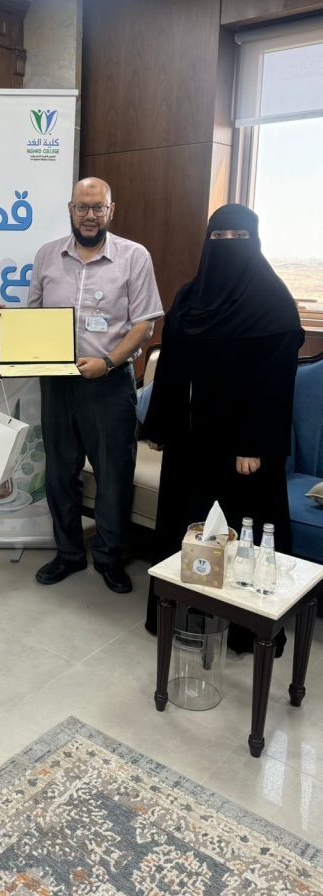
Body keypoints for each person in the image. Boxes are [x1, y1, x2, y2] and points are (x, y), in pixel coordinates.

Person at [143, 203, 304, 651]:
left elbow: (275, 384)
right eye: (218, 238)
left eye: (238, 238)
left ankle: (244, 629)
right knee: (186, 526)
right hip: (191, 441)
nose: (227, 246)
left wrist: (254, 444)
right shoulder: (191, 297)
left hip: (242, 450)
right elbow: (172, 365)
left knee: (242, 533)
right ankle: (183, 614)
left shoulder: (273, 302)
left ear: (255, 241)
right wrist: (161, 425)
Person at [28, 176, 163, 593]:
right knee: (59, 474)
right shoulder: (47, 255)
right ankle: (69, 554)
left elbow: (144, 324)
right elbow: (34, 317)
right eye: (82, 207)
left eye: (98, 207)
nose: (90, 215)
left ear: (110, 210)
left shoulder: (134, 256)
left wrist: (106, 363)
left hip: (109, 384)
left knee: (114, 475)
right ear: (71, 210)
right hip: (57, 384)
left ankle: (108, 557)